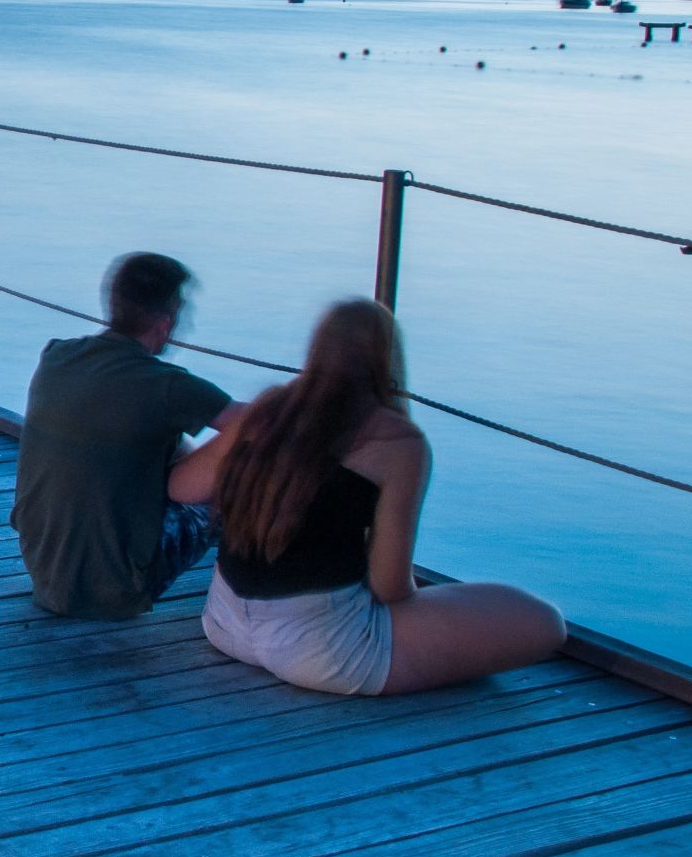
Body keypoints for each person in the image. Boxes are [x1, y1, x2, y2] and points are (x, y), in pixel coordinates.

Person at [202, 298, 565, 695]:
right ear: (386, 359)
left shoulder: (270, 409)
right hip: (323, 650)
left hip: (223, 623)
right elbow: (391, 588)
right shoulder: (398, 442)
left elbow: (182, 487)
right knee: (543, 622)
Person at [11, 253, 244, 619]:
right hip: (116, 589)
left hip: (45, 570)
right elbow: (258, 424)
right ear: (166, 322)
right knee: (232, 472)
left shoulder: (57, 356)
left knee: (176, 444)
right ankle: (250, 607)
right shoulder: (166, 385)